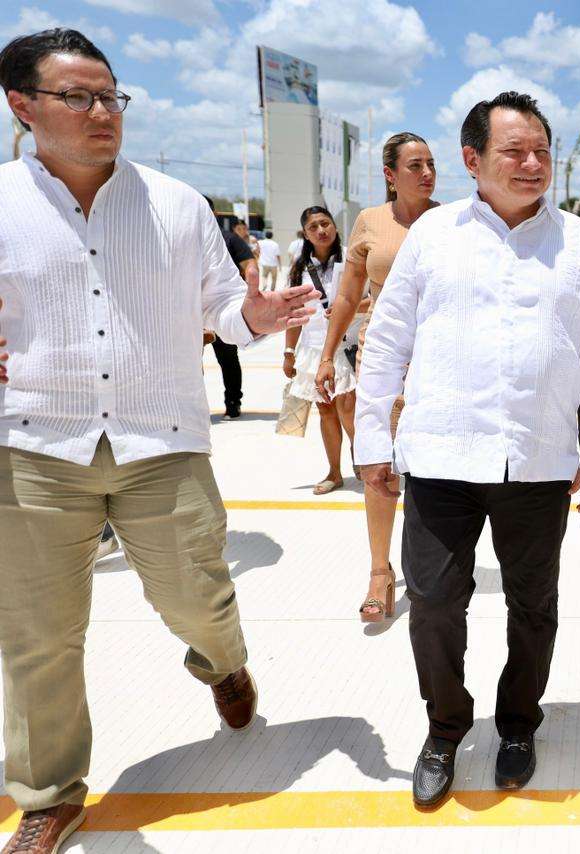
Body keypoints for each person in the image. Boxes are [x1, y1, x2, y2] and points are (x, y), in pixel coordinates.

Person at [0, 29, 315, 854]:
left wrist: (253, 316)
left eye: (111, 96)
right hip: (33, 443)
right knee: (37, 635)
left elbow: (222, 311)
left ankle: (222, 662)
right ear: (22, 105)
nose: (102, 111)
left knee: (197, 595)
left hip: (160, 437)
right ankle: (49, 793)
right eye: (78, 97)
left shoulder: (176, 204)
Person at [354, 91, 580, 809]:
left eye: (542, 151)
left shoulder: (578, 243)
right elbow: (386, 341)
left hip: (539, 460)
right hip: (442, 457)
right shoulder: (434, 236)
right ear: (473, 159)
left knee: (534, 605)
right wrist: (372, 439)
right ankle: (445, 729)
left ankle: (518, 726)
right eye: (515, 151)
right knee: (434, 603)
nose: (532, 164)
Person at [316, 131, 438, 622]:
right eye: (415, 165)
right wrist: (327, 355)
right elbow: (348, 295)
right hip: (382, 359)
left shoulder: (452, 221)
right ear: (391, 175)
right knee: (377, 462)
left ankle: (430, 566)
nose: (427, 173)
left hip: (438, 362)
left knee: (431, 468)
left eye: (431, 164)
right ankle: (379, 572)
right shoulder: (369, 221)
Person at [283, 205, 356, 494]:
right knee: (326, 412)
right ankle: (335, 472)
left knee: (349, 408)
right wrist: (289, 352)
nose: (321, 230)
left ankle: (363, 459)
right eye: (313, 227)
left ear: (334, 226)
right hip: (313, 349)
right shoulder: (299, 269)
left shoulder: (352, 258)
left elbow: (373, 298)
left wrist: (346, 308)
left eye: (325, 223)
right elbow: (294, 315)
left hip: (346, 347)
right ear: (305, 234)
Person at [209, 201, 257, 420]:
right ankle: (193, 407)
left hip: (222, 309)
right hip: (191, 310)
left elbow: (249, 264)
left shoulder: (228, 239)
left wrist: (248, 295)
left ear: (214, 213)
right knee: (189, 361)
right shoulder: (183, 239)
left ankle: (233, 402)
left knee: (227, 358)